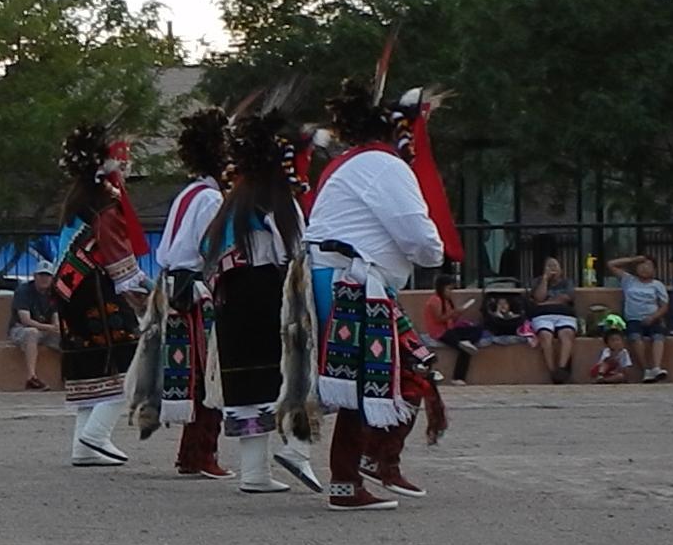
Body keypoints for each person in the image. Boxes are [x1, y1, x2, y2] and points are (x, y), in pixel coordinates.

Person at [304, 81, 446, 510]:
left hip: (346, 280)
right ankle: (366, 465)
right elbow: (418, 235)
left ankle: (359, 470)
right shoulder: (384, 166)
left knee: (366, 379)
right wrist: (433, 253)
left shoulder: (352, 164)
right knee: (402, 372)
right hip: (353, 285)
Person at [202, 107, 321, 495]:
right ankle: (297, 449)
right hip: (271, 296)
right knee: (288, 375)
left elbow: (204, 250)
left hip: (232, 302)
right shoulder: (279, 205)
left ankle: (254, 473)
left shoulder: (229, 206)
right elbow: (296, 253)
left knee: (248, 386)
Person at [53, 124, 151, 465]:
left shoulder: (75, 204)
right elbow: (117, 257)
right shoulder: (105, 204)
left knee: (89, 364)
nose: (125, 167)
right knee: (129, 360)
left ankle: (83, 447)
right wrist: (147, 286)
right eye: (122, 161)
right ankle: (95, 435)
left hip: (69, 292)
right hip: (95, 289)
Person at [151, 107, 231, 479]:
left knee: (192, 374)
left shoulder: (189, 193)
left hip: (173, 285)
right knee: (208, 373)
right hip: (195, 290)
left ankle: (189, 454)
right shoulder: (211, 200)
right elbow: (209, 249)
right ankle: (203, 454)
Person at [608, 254, 669, 382]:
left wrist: (653, 317)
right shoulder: (628, 280)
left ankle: (656, 368)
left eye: (648, 266)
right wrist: (632, 260)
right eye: (641, 265)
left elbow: (664, 306)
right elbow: (611, 264)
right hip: (633, 319)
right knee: (635, 337)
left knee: (658, 336)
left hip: (652, 318)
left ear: (654, 269)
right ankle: (646, 370)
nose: (645, 268)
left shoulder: (657, 285)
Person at [6, 263, 61, 389]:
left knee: (69, 339)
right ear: (35, 276)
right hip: (20, 329)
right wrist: (50, 328)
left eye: (47, 276)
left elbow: (55, 316)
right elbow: (25, 320)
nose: (44, 279)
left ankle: (70, 375)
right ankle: (32, 377)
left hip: (45, 330)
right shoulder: (23, 291)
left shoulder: (53, 293)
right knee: (32, 333)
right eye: (41, 275)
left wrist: (57, 328)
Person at [421, 277, 481, 384]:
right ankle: (458, 377)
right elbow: (439, 319)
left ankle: (463, 342)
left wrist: (458, 313)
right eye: (449, 289)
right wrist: (454, 312)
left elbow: (451, 319)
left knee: (476, 330)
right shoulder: (435, 301)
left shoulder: (447, 301)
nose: (450, 292)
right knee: (464, 349)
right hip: (439, 332)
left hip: (450, 329)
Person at [530, 256, 579, 384]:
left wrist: (545, 302)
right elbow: (539, 298)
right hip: (543, 316)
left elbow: (566, 298)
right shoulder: (537, 282)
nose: (553, 269)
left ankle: (562, 369)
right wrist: (545, 280)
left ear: (561, 269)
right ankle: (552, 371)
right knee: (545, 336)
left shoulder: (567, 282)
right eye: (549, 266)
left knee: (567, 334)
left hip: (564, 314)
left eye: (555, 266)